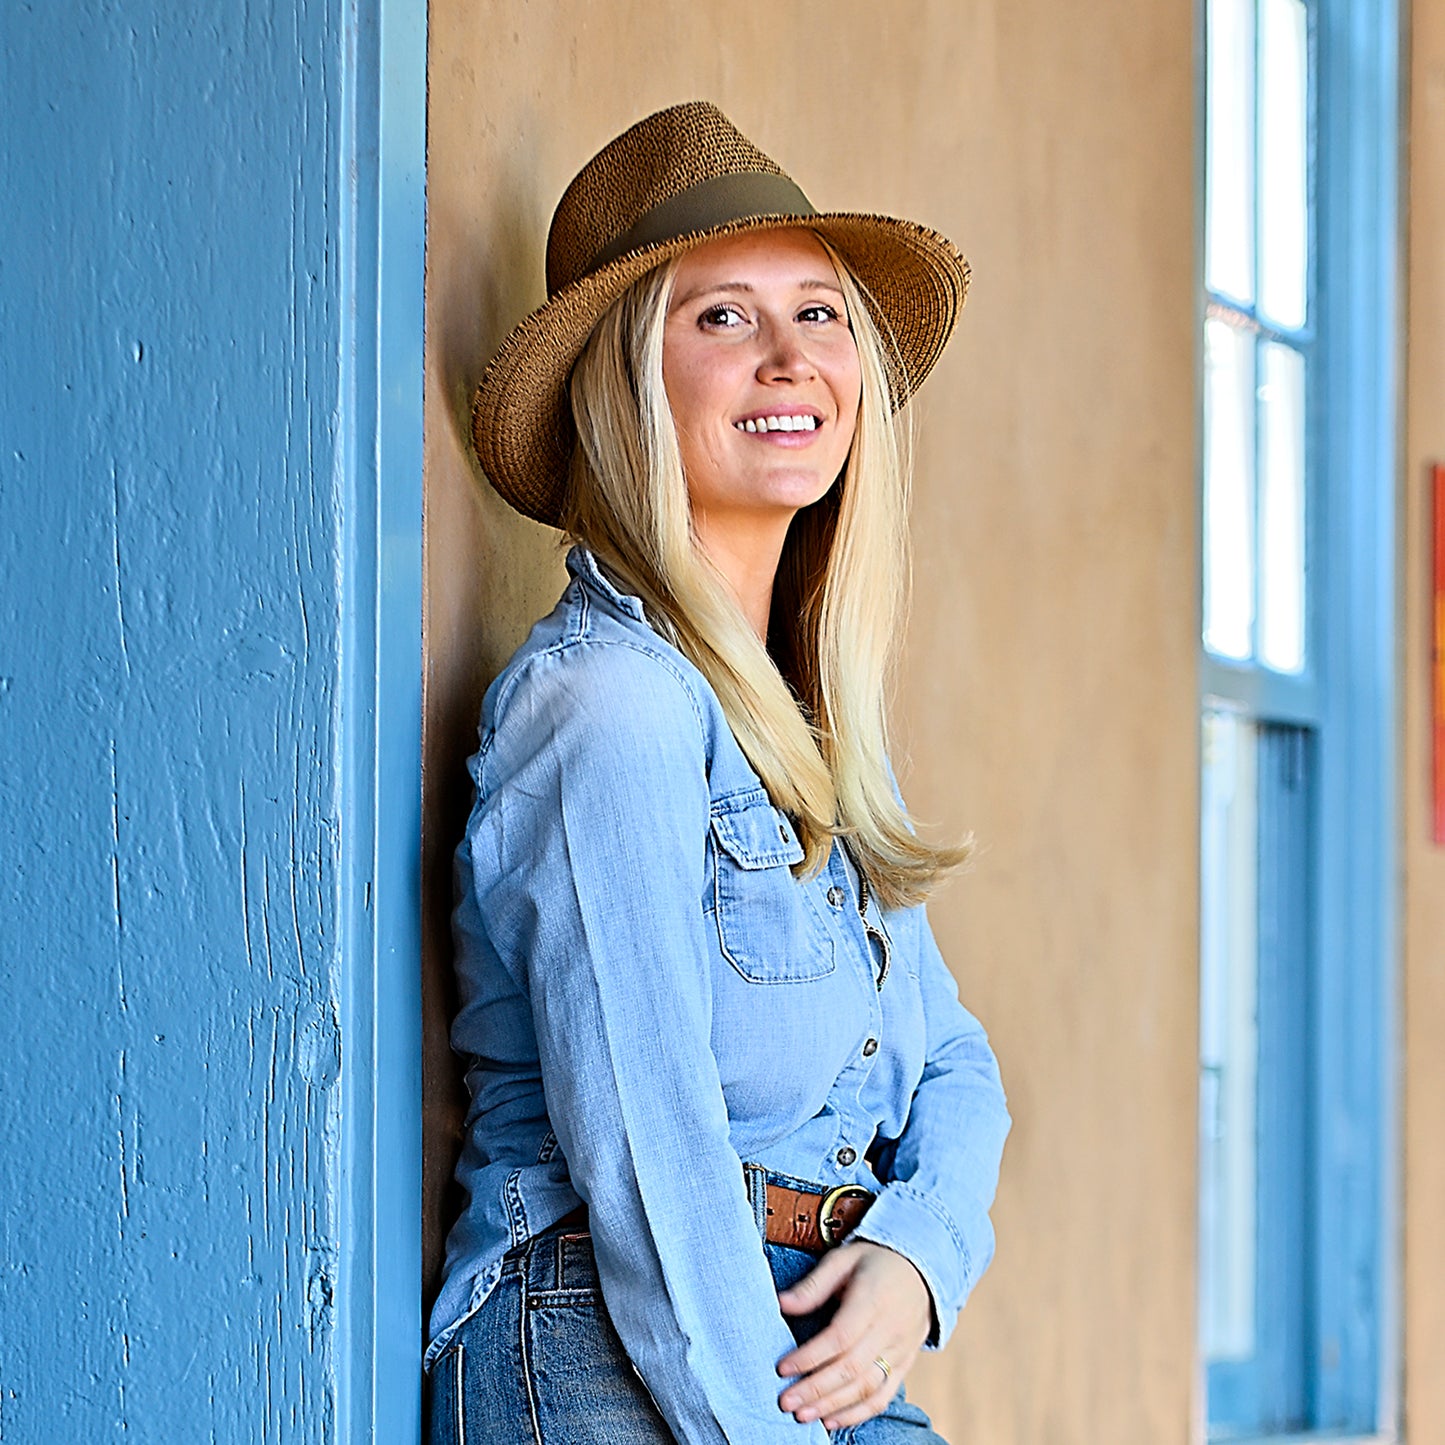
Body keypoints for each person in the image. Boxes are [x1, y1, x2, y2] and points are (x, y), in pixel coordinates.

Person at [426, 101, 1010, 1445]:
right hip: (610, 1332)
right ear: (626, 382)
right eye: (721, 318)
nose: (789, 356)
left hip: (793, 1324)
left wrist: (919, 1255)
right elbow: (646, 1145)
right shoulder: (608, 706)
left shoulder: (798, 721)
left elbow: (956, 1060)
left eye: (818, 312)